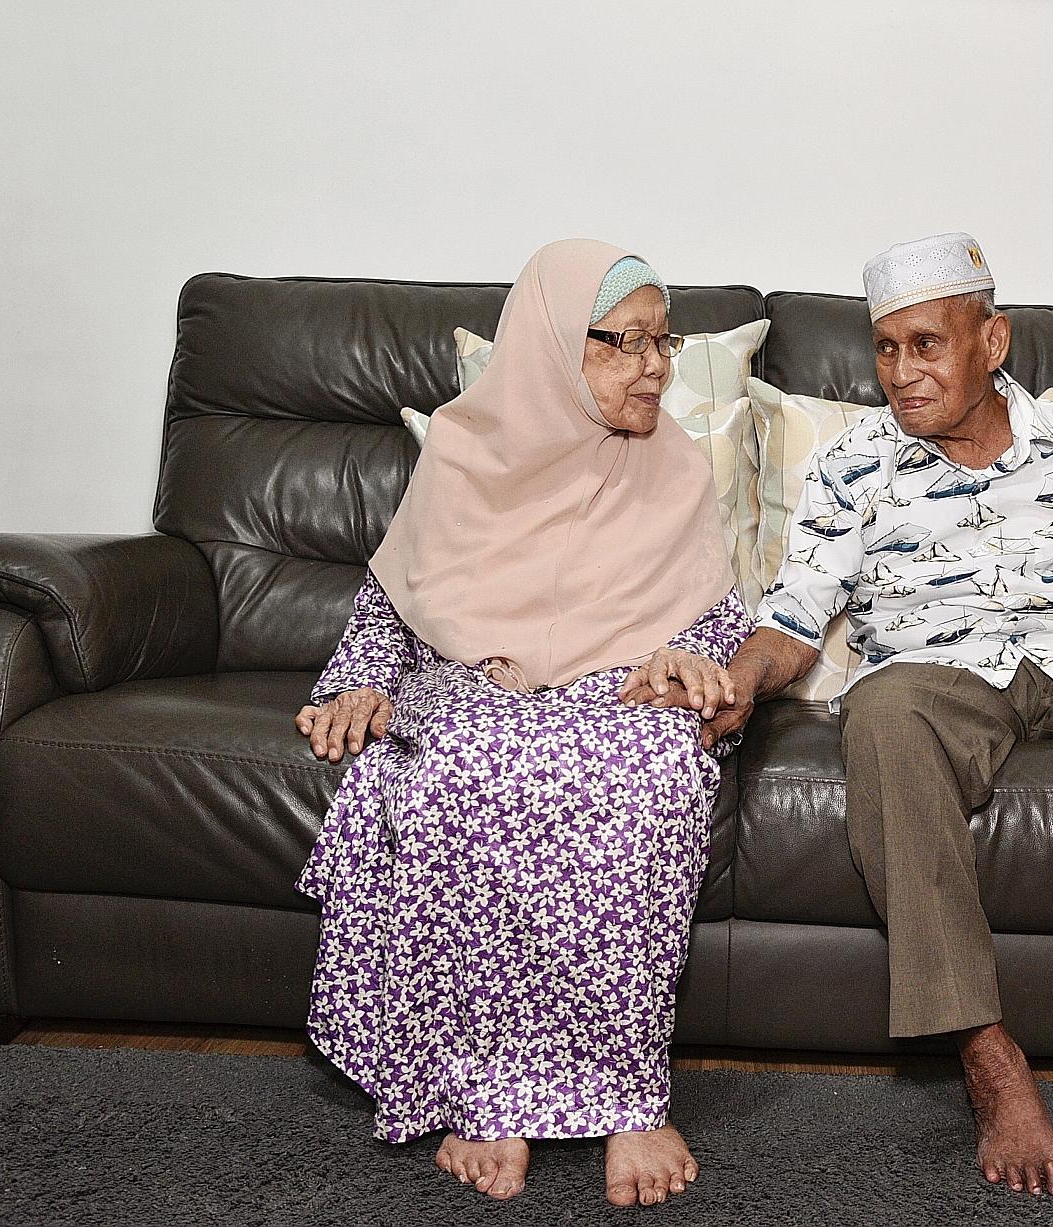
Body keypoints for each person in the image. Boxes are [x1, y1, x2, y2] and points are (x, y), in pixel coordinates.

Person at [675, 233, 1053, 1204]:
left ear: (992, 340)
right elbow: (793, 614)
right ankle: (991, 1064)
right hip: (934, 672)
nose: (901, 374)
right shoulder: (852, 467)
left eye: (927, 346)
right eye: (886, 349)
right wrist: (739, 676)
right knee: (883, 713)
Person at [293, 239, 753, 1207]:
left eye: (662, 342)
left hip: (623, 685)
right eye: (623, 342)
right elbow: (399, 597)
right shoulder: (465, 450)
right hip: (476, 682)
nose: (655, 366)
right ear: (550, 347)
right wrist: (364, 684)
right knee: (453, 776)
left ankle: (628, 1093)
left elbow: (711, 611)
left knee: (655, 776)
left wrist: (690, 658)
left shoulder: (669, 465)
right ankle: (490, 1095)